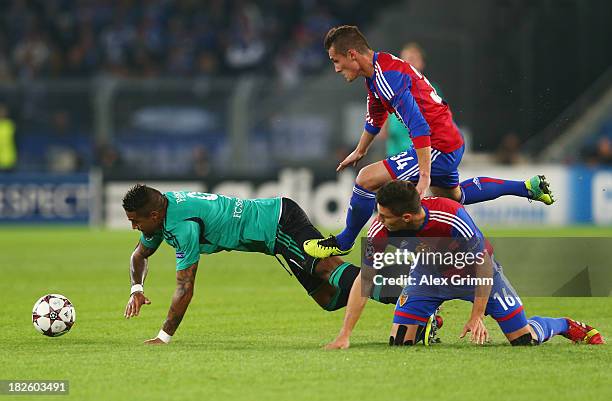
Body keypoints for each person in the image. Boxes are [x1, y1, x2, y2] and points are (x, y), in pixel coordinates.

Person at [304, 25, 554, 259]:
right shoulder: (379, 71)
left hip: (438, 146)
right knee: (456, 196)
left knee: (366, 180)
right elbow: (376, 114)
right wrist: (360, 150)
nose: (336, 68)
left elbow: (419, 127)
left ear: (351, 55)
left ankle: (344, 242)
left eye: (336, 61)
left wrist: (424, 175)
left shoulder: (387, 77)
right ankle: (527, 188)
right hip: (448, 142)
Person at [325, 180, 604, 349]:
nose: (378, 220)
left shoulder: (452, 216)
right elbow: (365, 280)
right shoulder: (380, 230)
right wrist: (344, 334)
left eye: (384, 215)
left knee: (524, 340)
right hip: (429, 276)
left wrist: (477, 315)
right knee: (400, 342)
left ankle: (564, 325)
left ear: (407, 217)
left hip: (476, 275)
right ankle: (428, 317)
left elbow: (483, 264)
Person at [121, 184, 399, 345]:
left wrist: (164, 336)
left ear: (155, 214)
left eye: (136, 221)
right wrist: (136, 288)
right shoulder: (162, 213)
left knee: (325, 269)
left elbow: (185, 286)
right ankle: (398, 288)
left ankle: (408, 294)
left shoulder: (182, 227)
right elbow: (139, 255)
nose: (134, 227)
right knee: (328, 297)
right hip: (276, 229)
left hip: (279, 225)